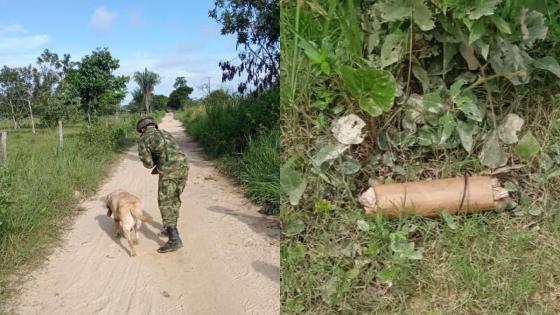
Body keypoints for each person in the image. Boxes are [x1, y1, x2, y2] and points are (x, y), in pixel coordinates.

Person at [136, 116, 189, 253]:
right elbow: (170, 152)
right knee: (174, 199)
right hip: (183, 166)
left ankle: (174, 240)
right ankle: (170, 228)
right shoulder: (165, 133)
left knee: (165, 202)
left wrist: (156, 163)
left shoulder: (144, 138)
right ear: (154, 125)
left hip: (169, 172)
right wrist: (160, 164)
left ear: (142, 129)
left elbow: (148, 163)